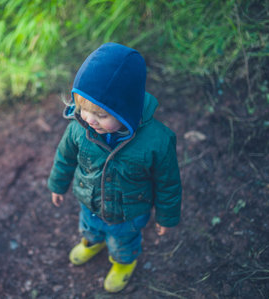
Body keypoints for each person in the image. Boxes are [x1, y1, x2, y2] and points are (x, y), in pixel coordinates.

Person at [48, 42, 182, 293]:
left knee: (123, 242)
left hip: (129, 213)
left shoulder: (157, 141)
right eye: (84, 109)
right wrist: (58, 184)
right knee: (89, 227)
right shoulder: (78, 128)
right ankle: (92, 242)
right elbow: (65, 157)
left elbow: (168, 182)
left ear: (126, 110)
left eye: (101, 115)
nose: (89, 119)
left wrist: (166, 215)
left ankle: (123, 263)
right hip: (90, 201)